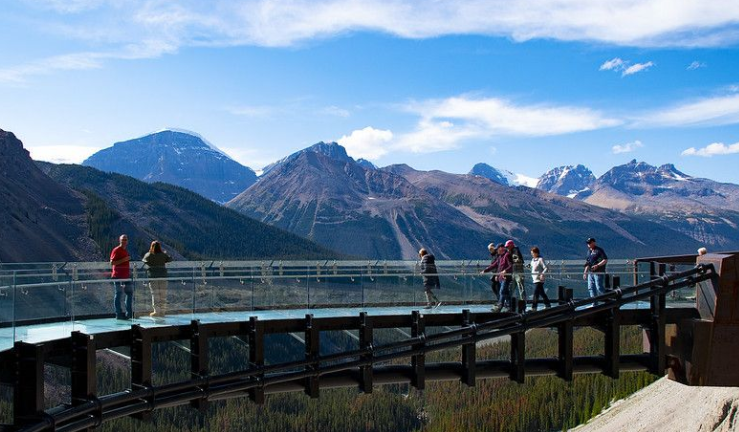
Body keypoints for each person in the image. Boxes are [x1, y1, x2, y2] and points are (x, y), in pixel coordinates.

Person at [142, 240, 173, 317]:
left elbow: (144, 261)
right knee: (163, 294)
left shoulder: (148, 255)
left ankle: (156, 311)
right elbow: (170, 259)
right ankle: (162, 312)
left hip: (153, 277)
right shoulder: (163, 255)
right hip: (163, 277)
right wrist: (165, 254)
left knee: (155, 294)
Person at [482, 244, 512, 312]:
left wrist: (505, 271)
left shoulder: (507, 255)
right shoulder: (500, 257)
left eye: (497, 249)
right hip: (501, 278)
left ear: (501, 248)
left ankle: (500, 306)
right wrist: (485, 270)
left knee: (502, 291)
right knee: (506, 293)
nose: (496, 250)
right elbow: (494, 265)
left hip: (506, 277)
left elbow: (511, 266)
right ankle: (509, 307)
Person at [110, 234, 132, 320]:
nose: (124, 241)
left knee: (129, 293)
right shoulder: (116, 250)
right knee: (118, 294)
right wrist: (124, 260)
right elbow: (112, 263)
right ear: (120, 240)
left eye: (125, 239)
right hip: (117, 276)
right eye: (123, 239)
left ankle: (129, 313)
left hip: (126, 275)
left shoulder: (125, 250)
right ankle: (118, 314)